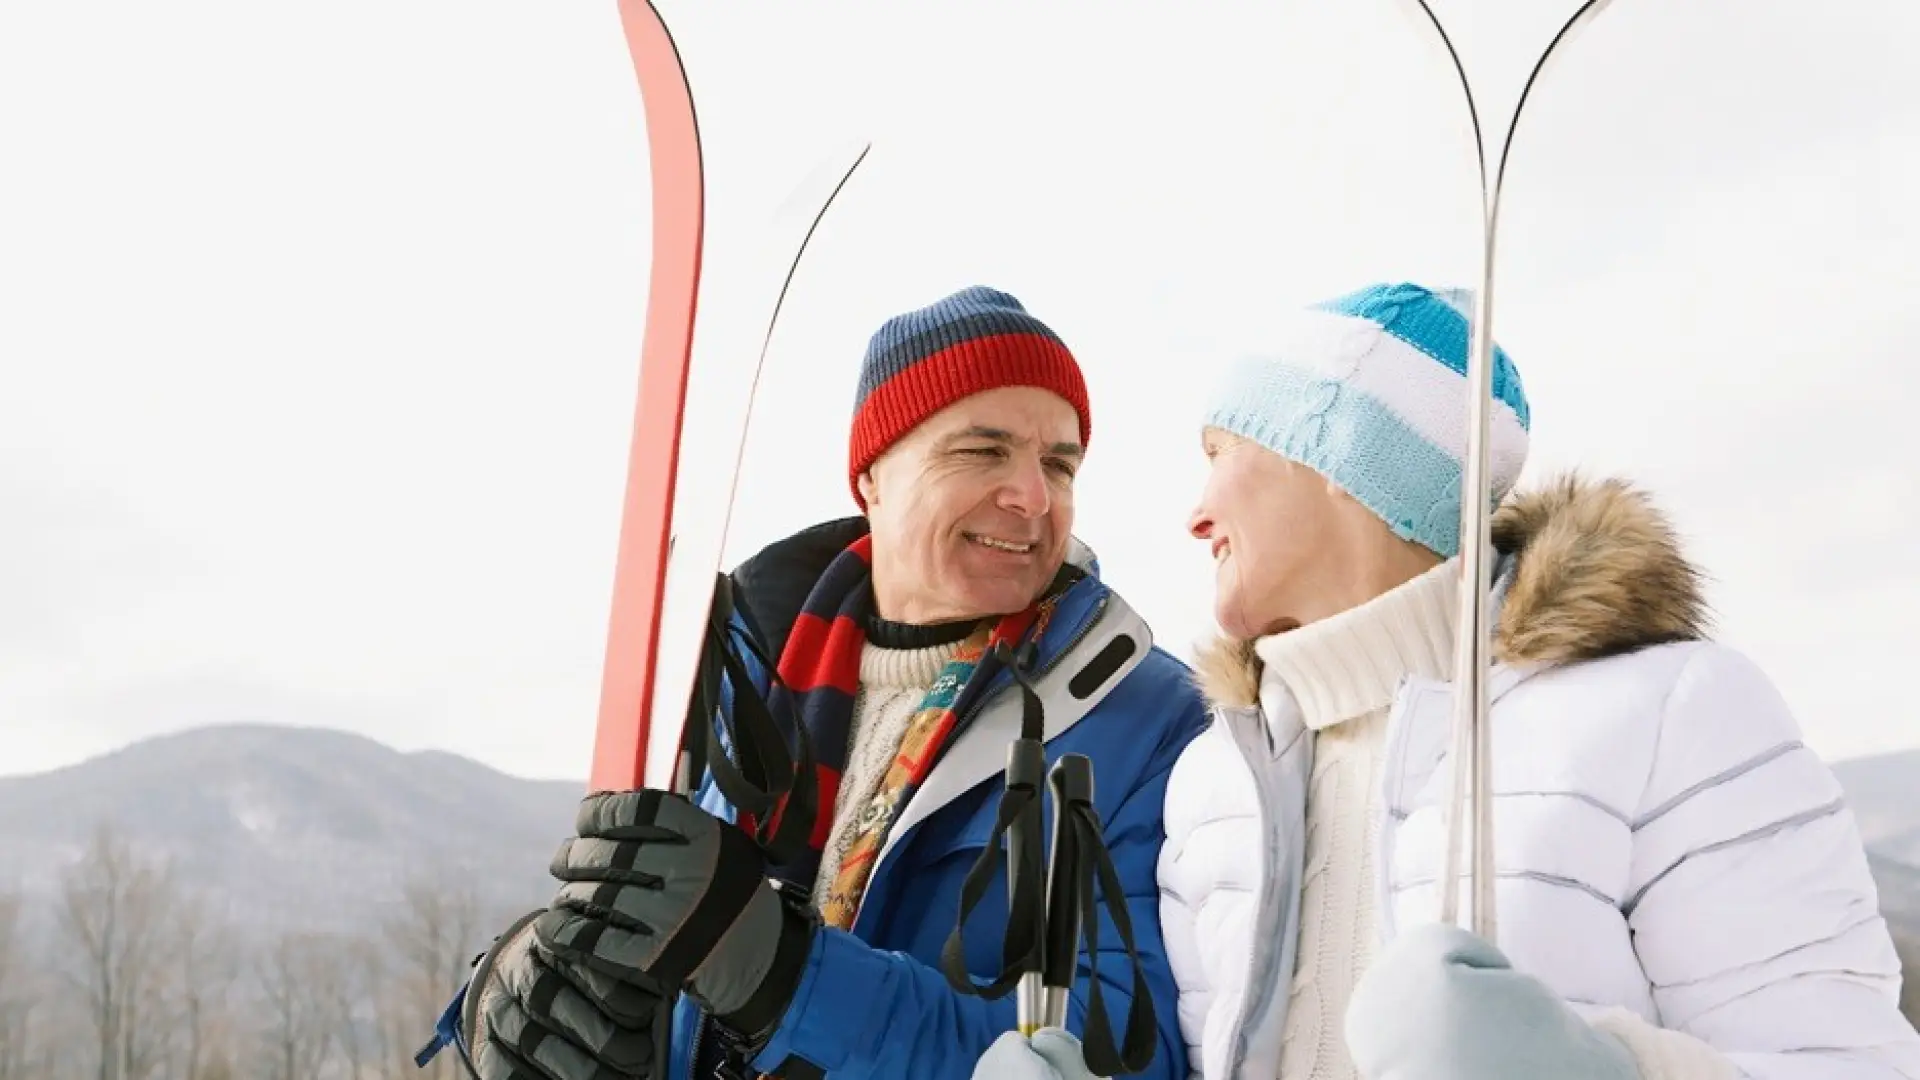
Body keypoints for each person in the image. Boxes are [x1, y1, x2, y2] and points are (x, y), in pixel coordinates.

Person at [974, 281, 1920, 1079]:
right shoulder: (1216, 779)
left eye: (1221, 455)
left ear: (1339, 462)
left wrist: (1592, 1069)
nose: (1196, 513)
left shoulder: (1672, 716)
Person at [417, 286, 1210, 1080]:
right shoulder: (736, 678)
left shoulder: (1148, 722)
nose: (1033, 496)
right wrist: (512, 997)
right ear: (872, 476)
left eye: (1058, 464)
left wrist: (785, 976)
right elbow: (624, 913)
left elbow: (1128, 1057)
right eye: (983, 450)